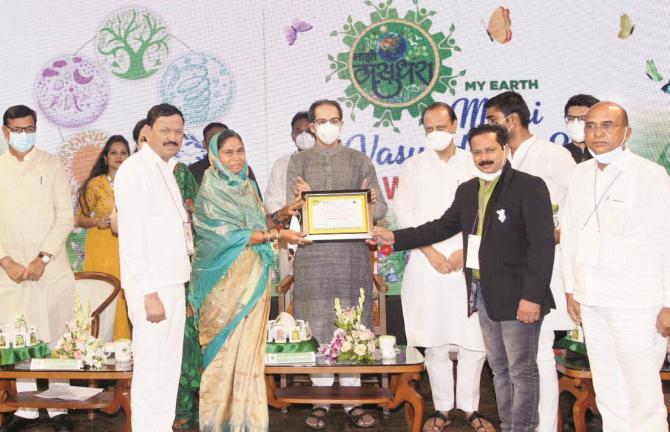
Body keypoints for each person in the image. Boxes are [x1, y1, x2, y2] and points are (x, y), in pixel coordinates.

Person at [373, 123, 555, 432]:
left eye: (490, 150)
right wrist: (394, 236)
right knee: (499, 368)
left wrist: (532, 296)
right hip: (482, 293)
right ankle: (510, 425)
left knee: (521, 371)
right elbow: (440, 227)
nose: (484, 157)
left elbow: (543, 245)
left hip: (519, 296)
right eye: (477, 152)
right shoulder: (468, 190)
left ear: (505, 149)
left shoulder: (529, 186)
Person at [561, 101, 670, 431]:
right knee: (608, 391)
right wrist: (570, 290)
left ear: (627, 132)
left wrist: (668, 303)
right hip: (591, 300)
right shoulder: (578, 175)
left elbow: (667, 240)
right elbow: (569, 236)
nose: (597, 133)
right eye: (591, 126)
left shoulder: (650, 175)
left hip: (637, 303)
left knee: (642, 394)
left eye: (607, 125)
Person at [189, 130, 307, 431]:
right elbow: (227, 235)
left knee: (250, 360)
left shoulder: (247, 186)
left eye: (240, 150)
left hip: (254, 280)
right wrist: (278, 235)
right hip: (225, 285)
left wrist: (281, 215)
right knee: (222, 359)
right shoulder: (211, 190)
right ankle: (217, 425)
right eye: (228, 152)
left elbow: (257, 225)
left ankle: (248, 424)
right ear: (214, 157)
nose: (236, 158)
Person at [286, 99, 388, 430]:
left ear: (342, 123)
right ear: (312, 126)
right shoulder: (297, 162)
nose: (329, 125)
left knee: (352, 327)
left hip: (351, 258)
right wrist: (299, 203)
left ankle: (352, 400)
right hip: (313, 257)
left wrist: (370, 203)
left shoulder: (360, 161)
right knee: (317, 327)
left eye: (335, 119)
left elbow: (382, 209)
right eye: (322, 121)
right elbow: (292, 211)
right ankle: (320, 401)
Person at [394, 102, 493, 432]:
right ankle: (441, 408)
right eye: (429, 128)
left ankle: (470, 407)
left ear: (454, 125)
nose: (435, 133)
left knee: (473, 339)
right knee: (434, 340)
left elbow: (486, 211)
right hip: (426, 262)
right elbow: (404, 215)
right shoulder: (413, 166)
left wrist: (467, 252)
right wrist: (430, 252)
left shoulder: (474, 161)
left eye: (441, 126)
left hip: (471, 260)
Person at [485, 91, 575, 432]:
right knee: (515, 359)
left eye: (493, 119)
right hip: (506, 275)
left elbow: (575, 204)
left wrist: (552, 231)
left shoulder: (554, 155)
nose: (490, 126)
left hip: (542, 270)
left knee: (538, 355)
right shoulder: (499, 159)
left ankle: (545, 427)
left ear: (512, 120)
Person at [115, 103, 192, 431]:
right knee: (150, 369)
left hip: (172, 282)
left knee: (168, 368)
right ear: (147, 132)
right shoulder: (134, 169)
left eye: (178, 131)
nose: (172, 137)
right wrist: (148, 292)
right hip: (152, 286)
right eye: (165, 130)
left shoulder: (166, 168)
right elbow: (131, 238)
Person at [0, 105, 75, 432]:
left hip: (49, 268)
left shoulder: (53, 164)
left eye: (28, 128)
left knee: (55, 335)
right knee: (19, 339)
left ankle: (60, 409)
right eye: (16, 129)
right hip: (9, 271)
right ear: (5, 132)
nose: (23, 134)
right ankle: (27, 408)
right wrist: (6, 260)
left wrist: (42, 258)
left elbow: (66, 218)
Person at [76, 135, 131, 341]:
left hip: (129, 244)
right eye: (114, 152)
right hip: (102, 245)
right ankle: (101, 344)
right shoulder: (95, 184)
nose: (119, 156)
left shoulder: (136, 182)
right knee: (106, 292)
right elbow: (78, 218)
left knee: (128, 294)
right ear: (106, 158)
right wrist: (96, 222)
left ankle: (127, 344)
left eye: (123, 153)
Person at [264, 110, 314, 278]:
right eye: (299, 131)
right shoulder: (281, 164)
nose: (304, 135)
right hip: (289, 233)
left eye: (308, 130)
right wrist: (289, 215)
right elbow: (271, 200)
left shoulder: (327, 163)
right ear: (292, 135)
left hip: (320, 234)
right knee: (291, 285)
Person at [188, 122, 262, 192]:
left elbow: (258, 202)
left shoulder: (245, 171)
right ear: (205, 144)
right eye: (214, 140)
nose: (221, 144)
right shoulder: (193, 172)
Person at [563, 94, 599, 163]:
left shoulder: (607, 154)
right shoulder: (558, 154)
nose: (576, 124)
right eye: (571, 118)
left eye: (583, 118)